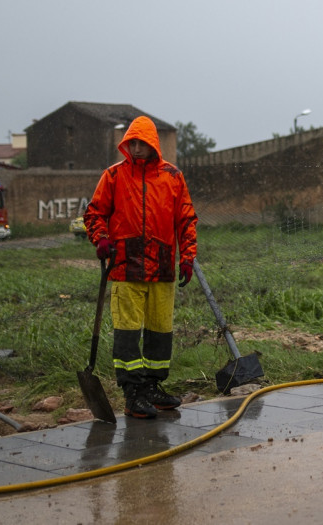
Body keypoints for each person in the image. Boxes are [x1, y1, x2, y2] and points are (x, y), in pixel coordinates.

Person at [84, 115, 198, 419]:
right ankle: (132, 392)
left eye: (141, 143)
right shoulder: (113, 176)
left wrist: (187, 256)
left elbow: (186, 219)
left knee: (160, 331)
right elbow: (94, 213)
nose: (135, 148)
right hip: (125, 267)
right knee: (127, 333)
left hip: (162, 268)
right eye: (131, 143)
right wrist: (102, 239)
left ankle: (152, 387)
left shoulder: (173, 177)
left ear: (152, 145)